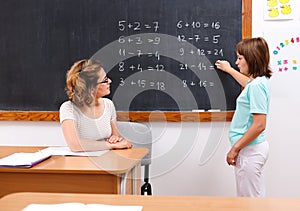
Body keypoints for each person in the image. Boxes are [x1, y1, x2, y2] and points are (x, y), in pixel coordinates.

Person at [215, 37, 272, 197]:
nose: (237, 62)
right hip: (251, 149)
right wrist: (229, 70)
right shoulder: (258, 83)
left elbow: (259, 124)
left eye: (240, 58)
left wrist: (235, 149)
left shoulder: (256, 86)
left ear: (252, 58)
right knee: (254, 196)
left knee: (248, 201)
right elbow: (248, 84)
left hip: (250, 150)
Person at [59, 59, 132, 152]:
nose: (110, 81)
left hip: (107, 160)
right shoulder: (68, 108)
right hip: (80, 163)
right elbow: (75, 145)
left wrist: (115, 139)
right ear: (91, 87)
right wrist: (109, 145)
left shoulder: (108, 104)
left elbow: (117, 137)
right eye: (105, 80)